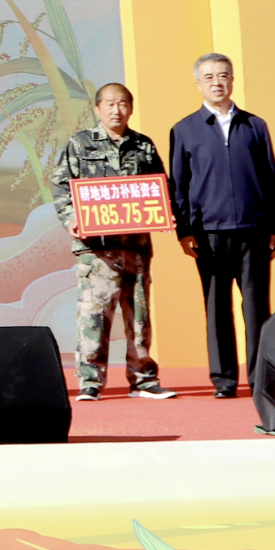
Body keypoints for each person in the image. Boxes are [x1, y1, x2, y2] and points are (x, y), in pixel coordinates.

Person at [168, 52, 275, 399]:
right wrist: (184, 230)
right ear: (198, 83)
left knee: (257, 309)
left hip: (253, 229)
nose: (217, 82)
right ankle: (224, 380)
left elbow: (271, 178)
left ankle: (261, 379)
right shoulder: (184, 129)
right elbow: (178, 185)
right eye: (209, 77)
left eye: (223, 76)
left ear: (232, 80)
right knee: (217, 309)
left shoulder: (255, 125)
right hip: (209, 233)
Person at [53, 82, 175, 401]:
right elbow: (61, 187)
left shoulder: (143, 145)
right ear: (97, 108)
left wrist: (165, 213)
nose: (116, 110)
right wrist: (71, 219)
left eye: (122, 103)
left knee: (139, 316)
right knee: (94, 314)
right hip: (96, 250)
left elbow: (162, 187)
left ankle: (143, 379)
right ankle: (90, 381)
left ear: (130, 108)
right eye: (109, 103)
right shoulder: (79, 143)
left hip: (135, 247)